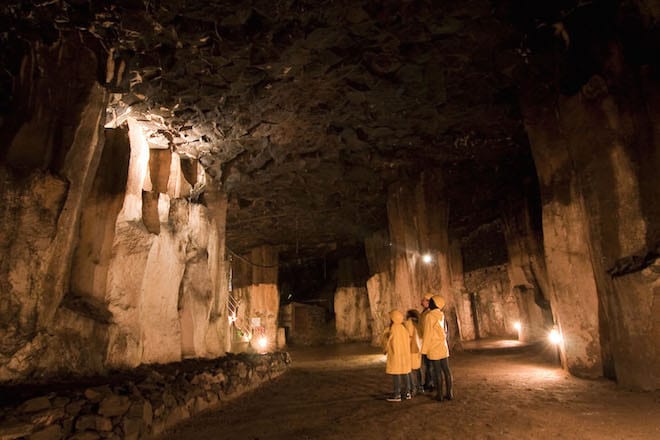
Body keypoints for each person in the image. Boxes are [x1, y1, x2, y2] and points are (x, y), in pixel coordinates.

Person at [421, 295, 454, 402]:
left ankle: (439, 395)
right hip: (443, 346)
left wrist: (424, 350)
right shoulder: (441, 315)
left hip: (434, 347)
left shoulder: (429, 316)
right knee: (447, 371)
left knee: (437, 372)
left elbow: (427, 334)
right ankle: (449, 393)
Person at [383, 309, 413, 402]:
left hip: (396, 355)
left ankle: (397, 394)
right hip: (405, 356)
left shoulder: (391, 329)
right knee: (406, 373)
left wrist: (385, 350)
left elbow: (386, 341)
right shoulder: (404, 328)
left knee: (397, 375)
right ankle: (408, 393)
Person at [405, 309, 424, 395]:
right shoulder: (419, 323)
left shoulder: (409, 323)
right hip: (419, 348)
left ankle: (413, 388)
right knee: (418, 368)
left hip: (412, 348)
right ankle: (420, 387)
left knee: (411, 369)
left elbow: (408, 335)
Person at [420, 292, 434, 392]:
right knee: (428, 364)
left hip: (429, 343)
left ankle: (431, 383)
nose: (422, 301)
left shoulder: (429, 314)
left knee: (430, 364)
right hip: (424, 341)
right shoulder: (425, 312)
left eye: (424, 300)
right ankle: (429, 382)